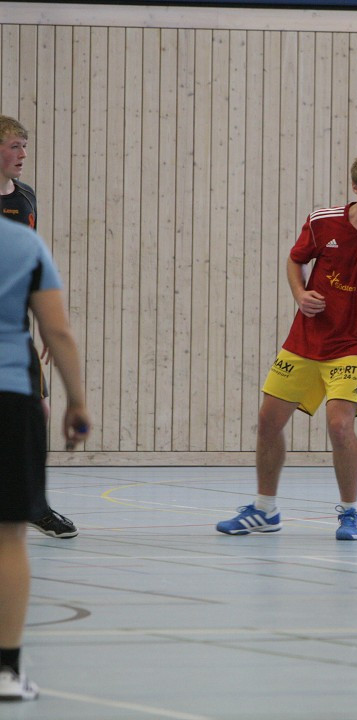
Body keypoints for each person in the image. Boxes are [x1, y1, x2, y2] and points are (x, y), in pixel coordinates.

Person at [216, 153, 357, 541]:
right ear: (356, 187)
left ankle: (350, 513)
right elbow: (296, 262)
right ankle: (265, 510)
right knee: (267, 421)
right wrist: (300, 294)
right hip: (306, 338)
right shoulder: (322, 221)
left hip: (356, 343)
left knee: (340, 425)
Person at [0, 218, 90, 700]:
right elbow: (56, 329)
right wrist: (76, 401)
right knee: (9, 535)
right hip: (10, 398)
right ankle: (7, 671)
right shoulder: (22, 244)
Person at [0, 114, 79, 539]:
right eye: (14, 146)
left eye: (25, 146)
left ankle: (35, 503)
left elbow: (28, 269)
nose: (23, 154)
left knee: (39, 411)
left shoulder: (25, 198)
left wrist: (41, 325)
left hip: (14, 331)